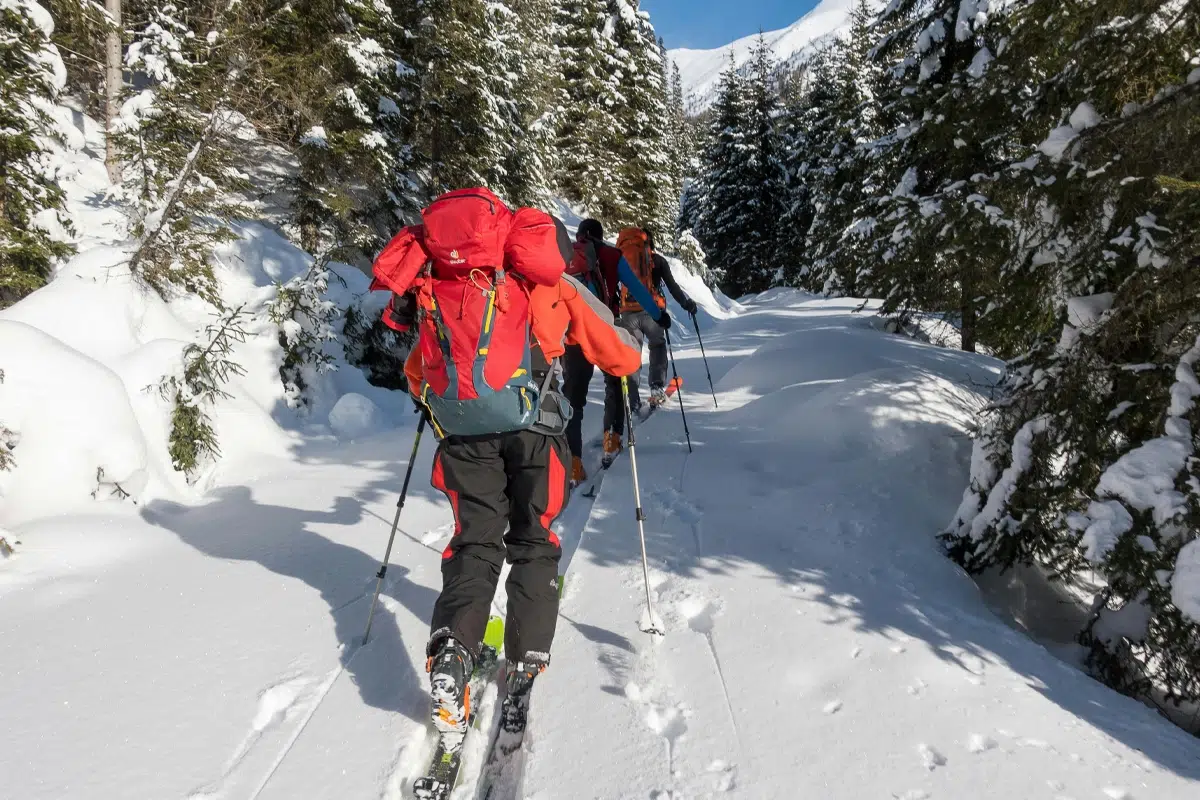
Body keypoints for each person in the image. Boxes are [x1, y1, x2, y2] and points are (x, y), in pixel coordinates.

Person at [371, 189, 642, 739]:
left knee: (474, 544)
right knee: (534, 543)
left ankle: (451, 655)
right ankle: (523, 668)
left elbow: (421, 370)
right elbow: (621, 356)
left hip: (464, 436)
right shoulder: (551, 283)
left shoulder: (439, 284)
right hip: (537, 436)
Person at [561, 218, 668, 484]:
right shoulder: (611, 255)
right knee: (615, 384)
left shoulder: (565, 258)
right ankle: (612, 439)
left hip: (573, 335)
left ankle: (573, 461)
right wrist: (658, 315)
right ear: (600, 234)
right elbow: (638, 290)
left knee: (573, 398)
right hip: (604, 330)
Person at [600, 227, 698, 463]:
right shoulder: (656, 261)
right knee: (657, 346)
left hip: (626, 313)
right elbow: (673, 288)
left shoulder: (621, 256)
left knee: (632, 356)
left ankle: (632, 401)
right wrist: (687, 304)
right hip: (652, 312)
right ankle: (656, 388)